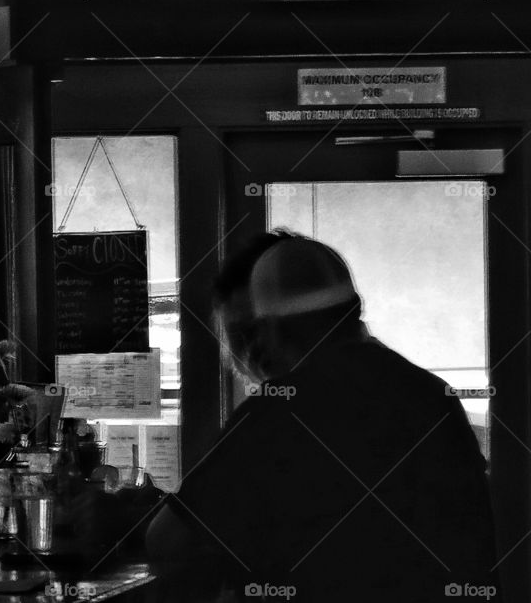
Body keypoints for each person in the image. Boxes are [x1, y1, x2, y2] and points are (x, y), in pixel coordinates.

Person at [147, 233, 498, 602]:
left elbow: (167, 540)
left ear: (272, 327)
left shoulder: (279, 411)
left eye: (253, 330)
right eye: (239, 335)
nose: (253, 350)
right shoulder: (431, 394)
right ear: (355, 309)